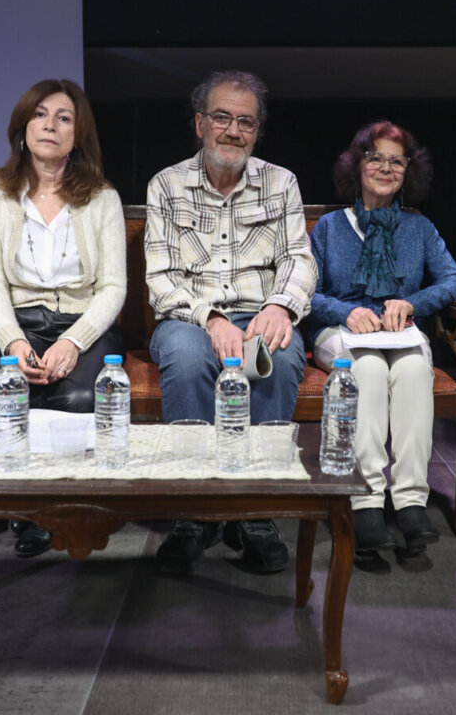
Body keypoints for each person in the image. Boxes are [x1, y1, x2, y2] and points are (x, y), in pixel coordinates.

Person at [144, 70, 316, 575]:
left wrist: (280, 306)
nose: (233, 131)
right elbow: (160, 278)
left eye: (246, 122)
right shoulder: (166, 185)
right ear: (200, 124)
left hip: (260, 311)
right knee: (187, 355)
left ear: (257, 131)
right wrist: (211, 318)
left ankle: (255, 510)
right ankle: (194, 510)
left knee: (280, 354)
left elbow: (299, 259)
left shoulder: (281, 182)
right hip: (189, 317)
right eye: (222, 117)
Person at [0, 78, 127, 559]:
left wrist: (73, 342)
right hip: (18, 324)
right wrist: (13, 343)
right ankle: (27, 510)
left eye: (64, 118)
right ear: (23, 127)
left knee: (78, 396)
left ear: (77, 135)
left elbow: (113, 288)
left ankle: (68, 507)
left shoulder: (102, 198)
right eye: (40, 115)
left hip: (83, 324)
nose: (50, 126)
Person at [304, 121, 456, 555]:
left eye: (396, 161)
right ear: (356, 166)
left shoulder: (419, 228)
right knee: (368, 370)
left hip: (399, 334)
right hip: (341, 332)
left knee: (414, 370)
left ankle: (411, 500)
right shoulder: (330, 227)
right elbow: (305, 293)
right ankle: (365, 501)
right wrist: (346, 311)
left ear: (408, 171)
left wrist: (411, 303)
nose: (385, 167)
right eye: (375, 157)